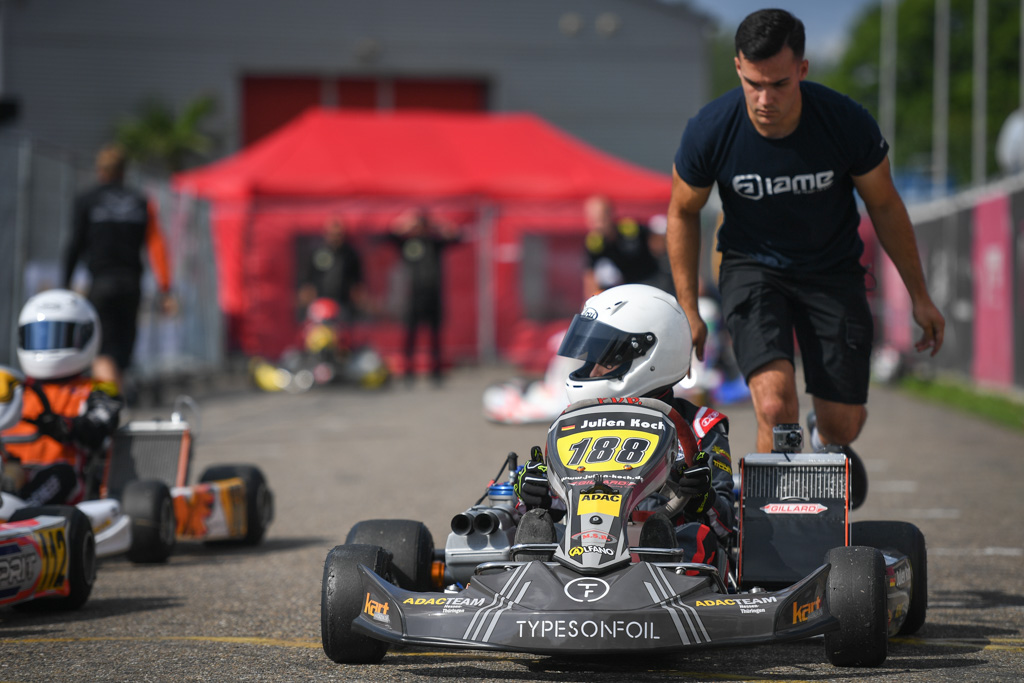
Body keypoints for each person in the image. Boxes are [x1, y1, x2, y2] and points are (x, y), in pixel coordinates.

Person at [666, 9, 945, 508]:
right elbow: (683, 212)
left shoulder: (845, 122)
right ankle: (765, 536)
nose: (765, 99)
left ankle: (823, 436)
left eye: (778, 83)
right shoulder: (711, 129)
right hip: (752, 268)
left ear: (802, 70)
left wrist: (919, 296)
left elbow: (884, 204)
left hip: (831, 271)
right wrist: (688, 309)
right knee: (774, 403)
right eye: (753, 83)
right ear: (737, 68)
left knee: (844, 422)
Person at [513, 284, 734, 568]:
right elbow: (560, 502)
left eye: (604, 360)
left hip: (661, 554)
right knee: (534, 528)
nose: (592, 371)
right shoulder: (574, 423)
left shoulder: (701, 426)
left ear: (648, 355)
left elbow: (727, 525)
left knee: (696, 536)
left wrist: (702, 497)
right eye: (591, 359)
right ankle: (533, 589)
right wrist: (536, 493)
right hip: (582, 547)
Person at [62, 143, 175, 389]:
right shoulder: (140, 201)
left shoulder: (87, 200)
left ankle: (108, 408)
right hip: (131, 286)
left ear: (100, 171)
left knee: (103, 351)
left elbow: (74, 245)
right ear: (124, 171)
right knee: (123, 351)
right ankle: (115, 402)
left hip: (101, 284)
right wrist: (166, 289)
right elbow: (157, 246)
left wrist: (65, 283)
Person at [1, 290, 123, 506]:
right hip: (11, 469)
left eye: (59, 335)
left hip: (63, 481)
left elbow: (98, 427)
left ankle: (19, 511)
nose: (47, 345)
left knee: (61, 474)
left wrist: (64, 426)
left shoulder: (95, 391)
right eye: (39, 336)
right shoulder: (14, 386)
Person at [385, 208, 460, 385]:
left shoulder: (434, 242)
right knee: (410, 336)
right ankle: (408, 373)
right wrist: (406, 222)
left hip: (433, 295)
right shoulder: (407, 243)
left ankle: (436, 374)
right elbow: (389, 236)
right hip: (413, 296)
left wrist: (437, 225)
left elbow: (456, 237)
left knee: (435, 336)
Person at [582, 195, 661, 297]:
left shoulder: (629, 229)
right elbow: (590, 275)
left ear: (610, 215)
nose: (598, 225)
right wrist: (591, 299)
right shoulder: (594, 244)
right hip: (627, 288)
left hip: (652, 281)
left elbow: (656, 241)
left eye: (601, 219)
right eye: (594, 220)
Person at [298, 217, 365, 325]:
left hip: (342, 305)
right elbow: (308, 281)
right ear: (325, 233)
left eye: (338, 234)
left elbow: (357, 284)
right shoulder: (317, 252)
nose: (335, 238)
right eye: (332, 234)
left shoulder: (350, 255)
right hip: (319, 304)